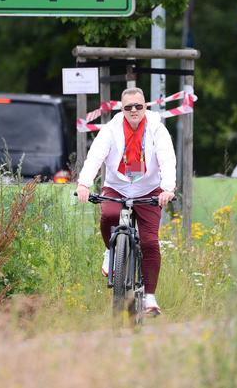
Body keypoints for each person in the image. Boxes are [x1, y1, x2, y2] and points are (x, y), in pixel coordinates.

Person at [76, 87, 176, 316]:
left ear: (145, 107)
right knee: (109, 215)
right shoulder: (110, 129)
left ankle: (149, 298)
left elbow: (167, 158)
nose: (134, 110)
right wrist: (84, 183)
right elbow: (95, 156)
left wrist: (168, 188)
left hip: (148, 189)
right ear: (121, 109)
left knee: (150, 242)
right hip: (117, 186)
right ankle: (111, 252)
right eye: (128, 107)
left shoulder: (157, 129)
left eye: (138, 106)